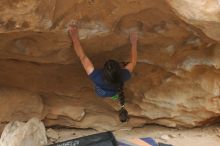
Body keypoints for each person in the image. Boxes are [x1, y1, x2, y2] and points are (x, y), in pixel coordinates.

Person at [69, 25, 138, 122]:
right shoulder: (122, 75)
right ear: (120, 69)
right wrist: (134, 43)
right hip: (107, 91)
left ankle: (113, 96)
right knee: (112, 93)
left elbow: (83, 57)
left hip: (102, 92)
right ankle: (114, 96)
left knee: (110, 93)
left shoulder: (96, 76)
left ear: (103, 70)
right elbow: (133, 62)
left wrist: (74, 38)